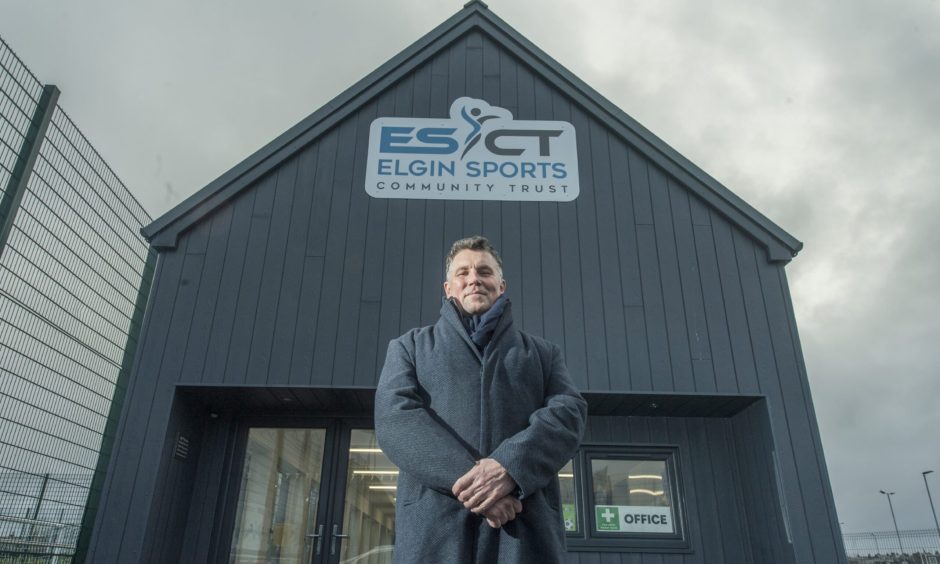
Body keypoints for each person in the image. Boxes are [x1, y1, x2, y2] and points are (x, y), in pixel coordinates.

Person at [374, 235, 587, 563]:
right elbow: (395, 417)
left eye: (484, 271)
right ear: (448, 289)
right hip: (435, 534)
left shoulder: (543, 354)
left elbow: (568, 412)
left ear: (501, 286)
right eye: (463, 272)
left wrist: (509, 469)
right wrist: (476, 483)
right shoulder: (409, 347)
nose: (474, 278)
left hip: (523, 532)